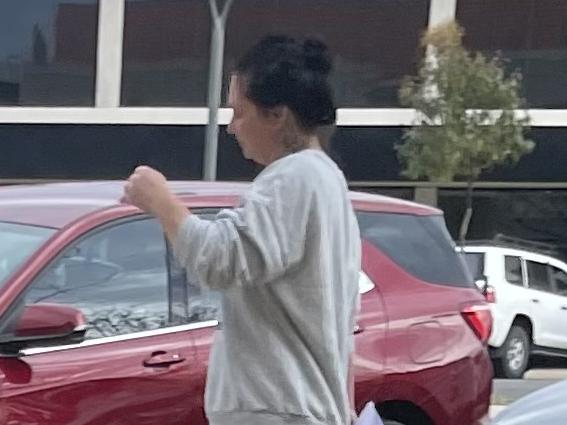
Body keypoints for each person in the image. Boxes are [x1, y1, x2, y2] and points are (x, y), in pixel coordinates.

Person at [123, 35, 361, 425]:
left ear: (277, 115)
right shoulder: (326, 180)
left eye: (239, 112)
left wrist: (160, 201)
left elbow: (222, 260)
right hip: (301, 408)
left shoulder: (292, 178)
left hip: (276, 407)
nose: (232, 127)